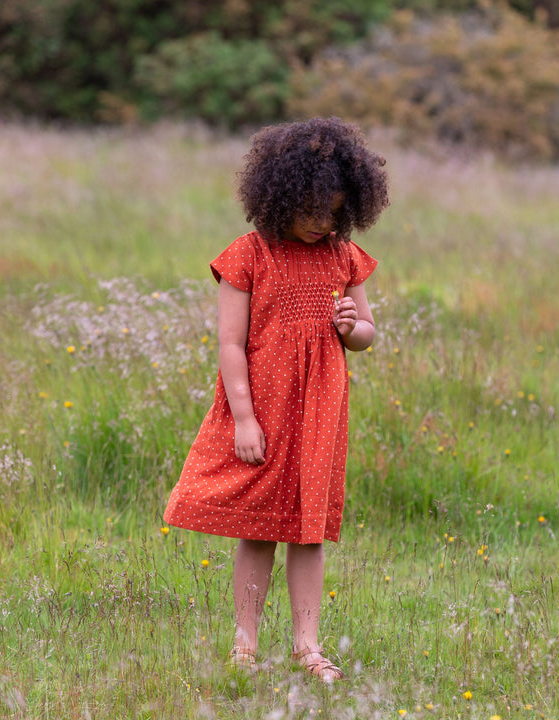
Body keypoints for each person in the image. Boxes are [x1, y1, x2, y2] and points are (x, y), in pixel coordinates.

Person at [163, 116, 389, 683]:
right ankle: (245, 644)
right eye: (312, 211)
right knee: (260, 527)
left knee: (309, 530)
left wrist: (348, 326)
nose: (323, 223)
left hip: (320, 411)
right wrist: (243, 418)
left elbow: (366, 336)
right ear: (280, 195)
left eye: (333, 212)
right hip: (263, 408)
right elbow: (230, 345)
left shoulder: (344, 257)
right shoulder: (249, 255)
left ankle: (307, 647)